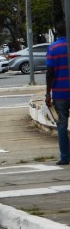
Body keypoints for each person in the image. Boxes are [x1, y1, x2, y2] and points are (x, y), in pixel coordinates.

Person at [45, 21, 70, 166]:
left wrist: (48, 93)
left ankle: (65, 157)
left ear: (56, 33)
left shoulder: (53, 48)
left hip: (60, 94)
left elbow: (50, 72)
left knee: (61, 125)